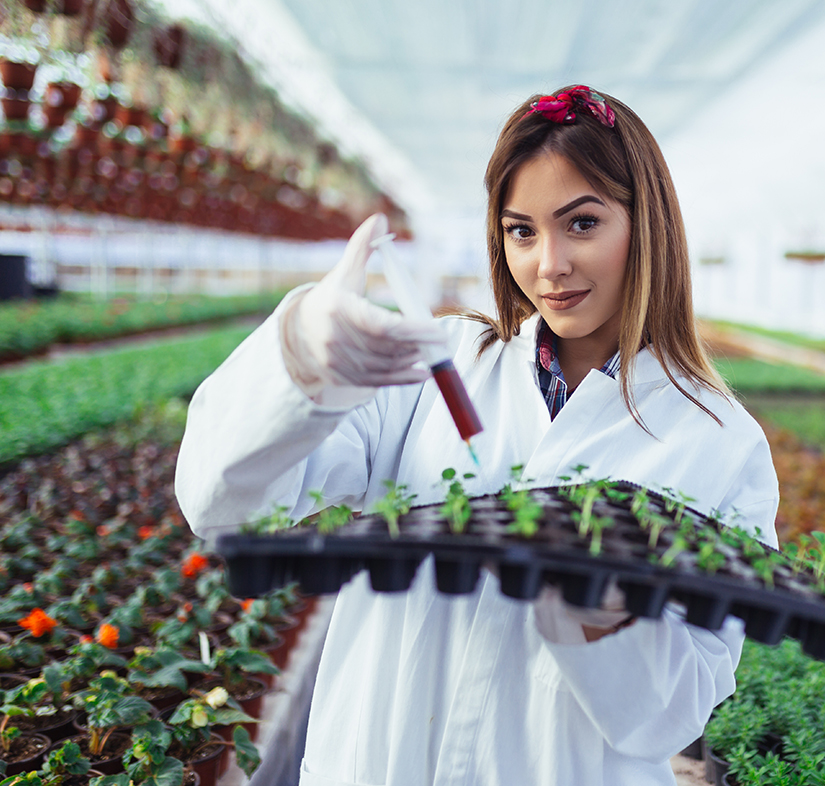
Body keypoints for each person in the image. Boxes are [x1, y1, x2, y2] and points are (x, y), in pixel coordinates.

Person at [176, 85, 779, 786]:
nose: (548, 263)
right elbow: (222, 505)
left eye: (581, 223)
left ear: (647, 226)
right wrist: (302, 365)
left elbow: (673, 720)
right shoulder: (430, 370)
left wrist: (603, 616)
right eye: (521, 230)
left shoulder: (718, 441)